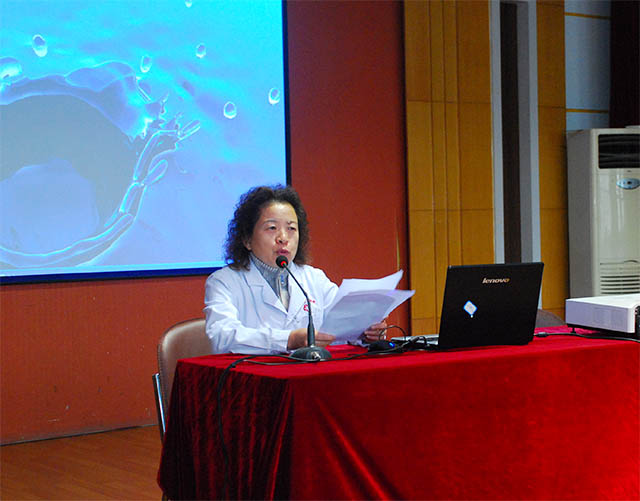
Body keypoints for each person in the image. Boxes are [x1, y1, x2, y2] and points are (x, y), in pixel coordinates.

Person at [204, 185, 387, 354]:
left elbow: (344, 324)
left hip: (311, 374)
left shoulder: (314, 278)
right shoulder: (224, 281)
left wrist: (366, 332)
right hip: (255, 376)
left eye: (291, 228)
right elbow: (222, 336)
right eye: (272, 228)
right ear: (247, 239)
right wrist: (288, 340)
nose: (283, 238)